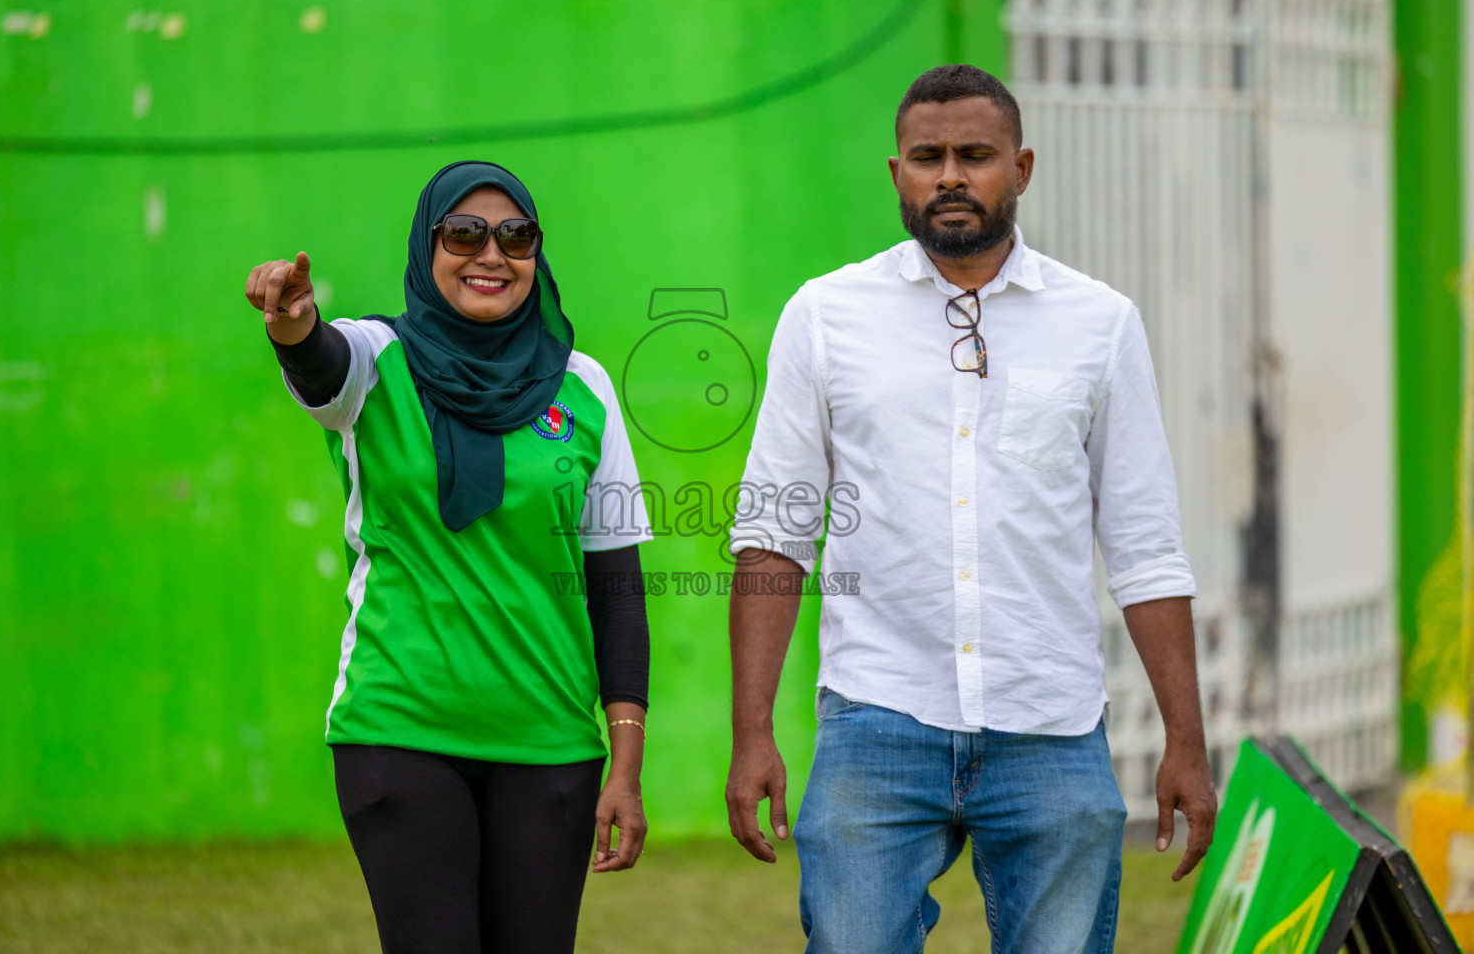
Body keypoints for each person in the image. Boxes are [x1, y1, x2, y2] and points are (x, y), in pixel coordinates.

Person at [723, 65, 1217, 953]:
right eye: (928, 156)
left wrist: (1186, 737)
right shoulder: (826, 316)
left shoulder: (1100, 324)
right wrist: (751, 732)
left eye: (976, 155)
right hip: (877, 714)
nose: (950, 175)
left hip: (1051, 725)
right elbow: (773, 535)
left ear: (1021, 169)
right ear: (897, 174)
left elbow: (1144, 545)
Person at [243, 160, 652, 954]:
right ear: (428, 248)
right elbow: (315, 358)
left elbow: (616, 587)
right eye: (463, 234)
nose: (491, 255)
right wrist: (291, 321)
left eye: (516, 236)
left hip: (552, 742)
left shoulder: (585, 388)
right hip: (401, 728)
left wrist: (626, 763)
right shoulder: (375, 360)